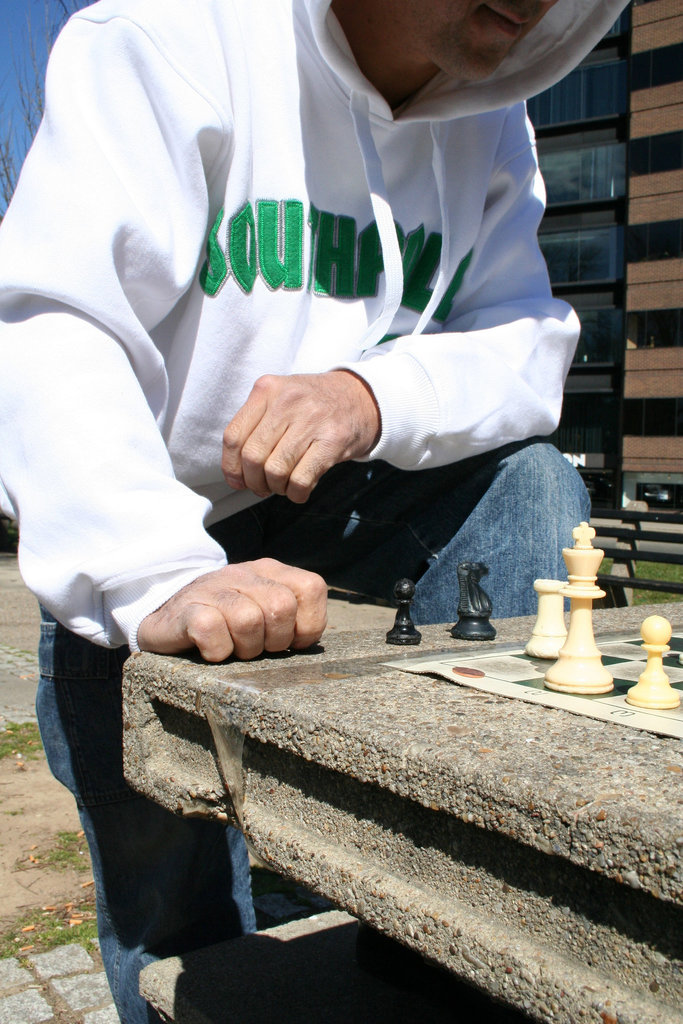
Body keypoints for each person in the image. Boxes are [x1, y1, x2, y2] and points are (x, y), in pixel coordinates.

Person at [0, 0, 628, 1019]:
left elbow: (526, 338)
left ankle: (466, 931)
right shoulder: (166, 37)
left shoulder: (494, 115)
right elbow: (48, 323)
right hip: (152, 509)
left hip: (345, 503)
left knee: (532, 487)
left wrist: (364, 393)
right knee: (169, 912)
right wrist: (155, 572)